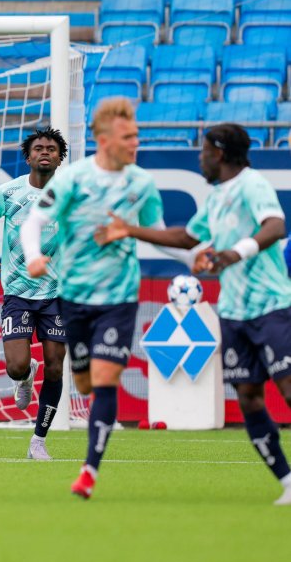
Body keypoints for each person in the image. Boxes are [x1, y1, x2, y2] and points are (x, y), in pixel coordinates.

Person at [95, 123, 291, 506]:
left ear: (219, 153)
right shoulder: (216, 198)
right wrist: (129, 231)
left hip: (270, 306)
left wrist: (235, 252)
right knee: (249, 397)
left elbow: (275, 225)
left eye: (203, 151)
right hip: (233, 312)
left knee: (288, 390)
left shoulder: (252, 185)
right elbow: (187, 238)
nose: (200, 158)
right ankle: (287, 481)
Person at [21, 98, 166, 499]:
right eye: (128, 136)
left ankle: (89, 470)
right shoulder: (73, 179)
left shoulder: (142, 183)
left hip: (119, 297)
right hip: (74, 296)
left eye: (136, 135)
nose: (135, 142)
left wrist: (197, 256)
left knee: (104, 380)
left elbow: (159, 233)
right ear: (104, 140)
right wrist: (33, 256)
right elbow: (34, 222)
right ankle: (83, 383)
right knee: (83, 381)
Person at [0, 128, 69, 460]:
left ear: (60, 158)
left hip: (58, 293)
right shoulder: (8, 191)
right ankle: (25, 376)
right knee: (16, 366)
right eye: (38, 148)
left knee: (55, 367)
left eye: (52, 149)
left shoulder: (70, 194)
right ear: (28, 157)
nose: (45, 152)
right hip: (17, 292)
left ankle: (38, 441)